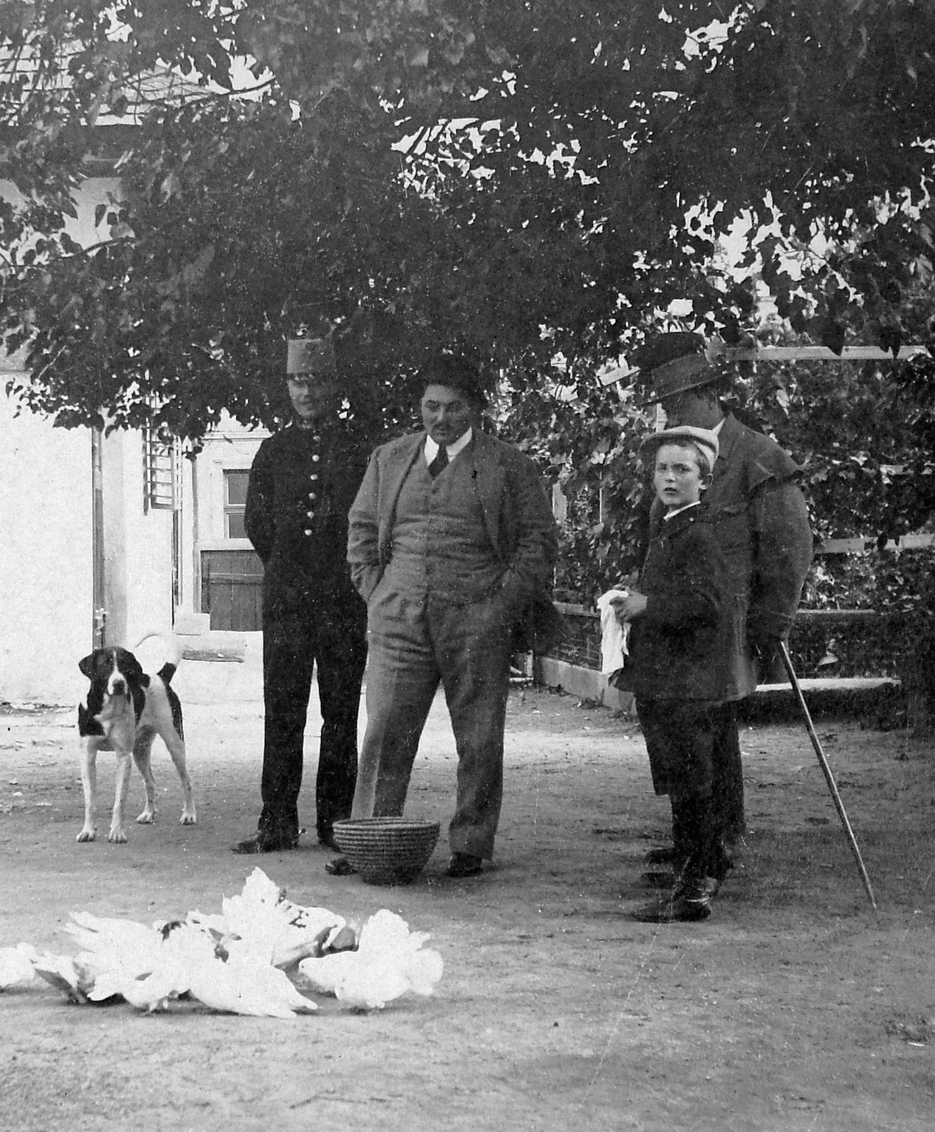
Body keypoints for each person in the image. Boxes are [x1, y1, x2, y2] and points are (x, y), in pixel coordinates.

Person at [342, 354, 560, 878]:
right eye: (431, 407)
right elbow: (361, 532)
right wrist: (379, 594)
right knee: (385, 728)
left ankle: (470, 843)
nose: (441, 419)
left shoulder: (509, 465)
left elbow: (538, 541)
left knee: (480, 735)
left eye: (454, 408)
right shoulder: (389, 459)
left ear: (477, 408)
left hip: (476, 620)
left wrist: (499, 607)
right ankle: (371, 837)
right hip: (399, 620)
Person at [629, 332, 813, 870]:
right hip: (678, 623)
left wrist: (774, 621)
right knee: (691, 731)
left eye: (679, 399)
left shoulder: (758, 457)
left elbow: (789, 549)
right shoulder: (672, 459)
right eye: (665, 402)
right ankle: (707, 840)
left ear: (709, 394)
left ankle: (715, 845)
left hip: (731, 622)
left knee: (709, 728)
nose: (670, 410)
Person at [231, 335, 372, 855]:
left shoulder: (360, 451)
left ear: (334, 385)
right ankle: (277, 822)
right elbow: (256, 523)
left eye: (316, 380)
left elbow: (369, 523)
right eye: (297, 381)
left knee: (340, 711)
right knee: (283, 709)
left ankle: (335, 821)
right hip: (288, 601)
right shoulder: (273, 451)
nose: (307, 391)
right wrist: (293, 570)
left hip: (341, 601)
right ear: (286, 386)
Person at [610, 428, 736, 922]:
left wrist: (648, 605)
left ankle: (693, 892)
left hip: (688, 682)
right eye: (662, 468)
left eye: (682, 469)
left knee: (690, 784)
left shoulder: (700, 533)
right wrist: (637, 598)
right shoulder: (670, 525)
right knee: (683, 779)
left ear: (703, 480)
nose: (669, 477)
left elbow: (708, 606)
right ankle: (700, 866)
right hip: (667, 678)